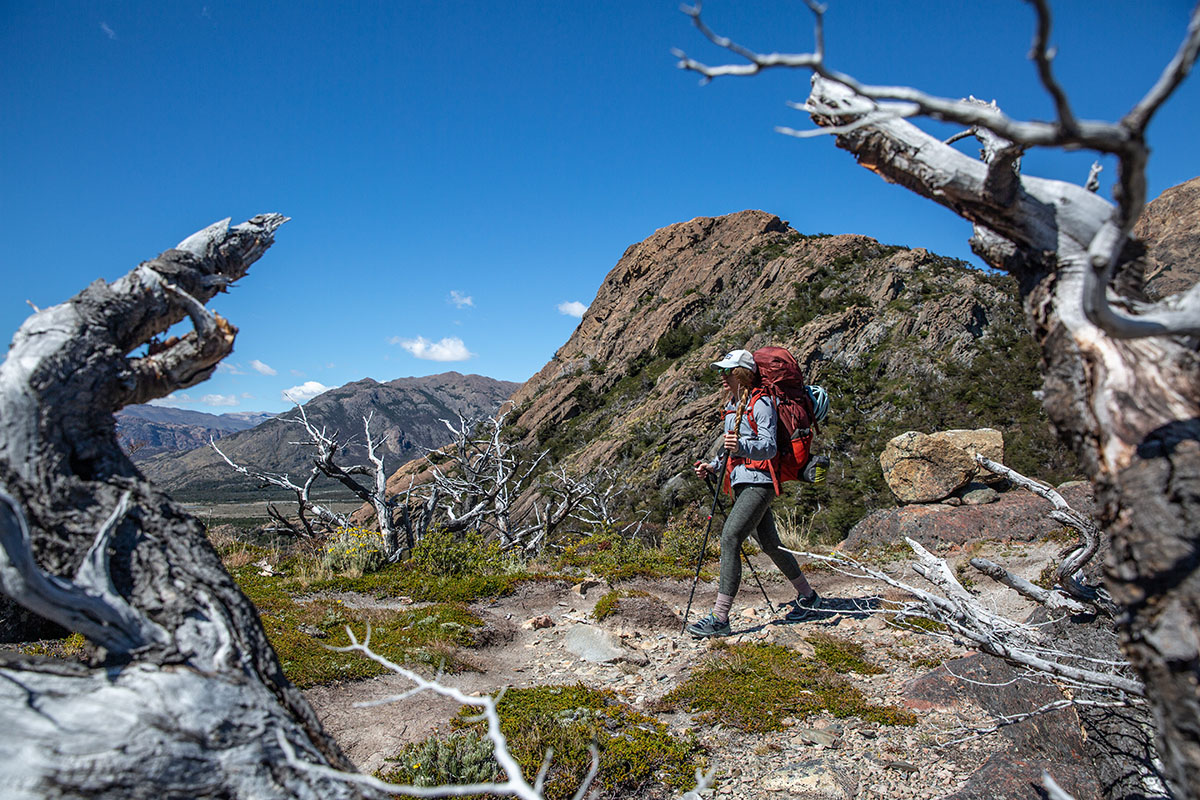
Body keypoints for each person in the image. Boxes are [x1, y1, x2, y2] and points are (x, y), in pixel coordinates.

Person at [686, 349, 821, 638]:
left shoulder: (761, 403)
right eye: (722, 371)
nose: (722, 376)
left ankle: (720, 618)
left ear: (743, 373)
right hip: (741, 481)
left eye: (728, 371)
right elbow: (729, 449)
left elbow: (769, 447)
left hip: (760, 483)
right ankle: (809, 598)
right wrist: (712, 466)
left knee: (731, 537)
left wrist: (742, 448)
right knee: (771, 545)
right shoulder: (733, 405)